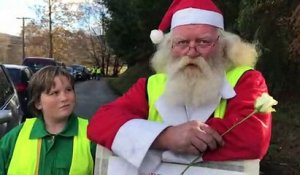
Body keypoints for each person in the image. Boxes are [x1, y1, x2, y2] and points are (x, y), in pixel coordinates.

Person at [88, 0, 272, 173]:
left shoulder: (246, 80)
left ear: (222, 45)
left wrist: (146, 142)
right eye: (182, 42)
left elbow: (253, 139)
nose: (191, 52)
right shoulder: (150, 85)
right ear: (170, 46)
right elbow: (100, 123)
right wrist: (166, 137)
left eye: (203, 42)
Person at [0, 66, 95, 175]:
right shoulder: (14, 138)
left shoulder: (92, 136)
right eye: (54, 93)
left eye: (69, 90)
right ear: (38, 103)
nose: (64, 98)